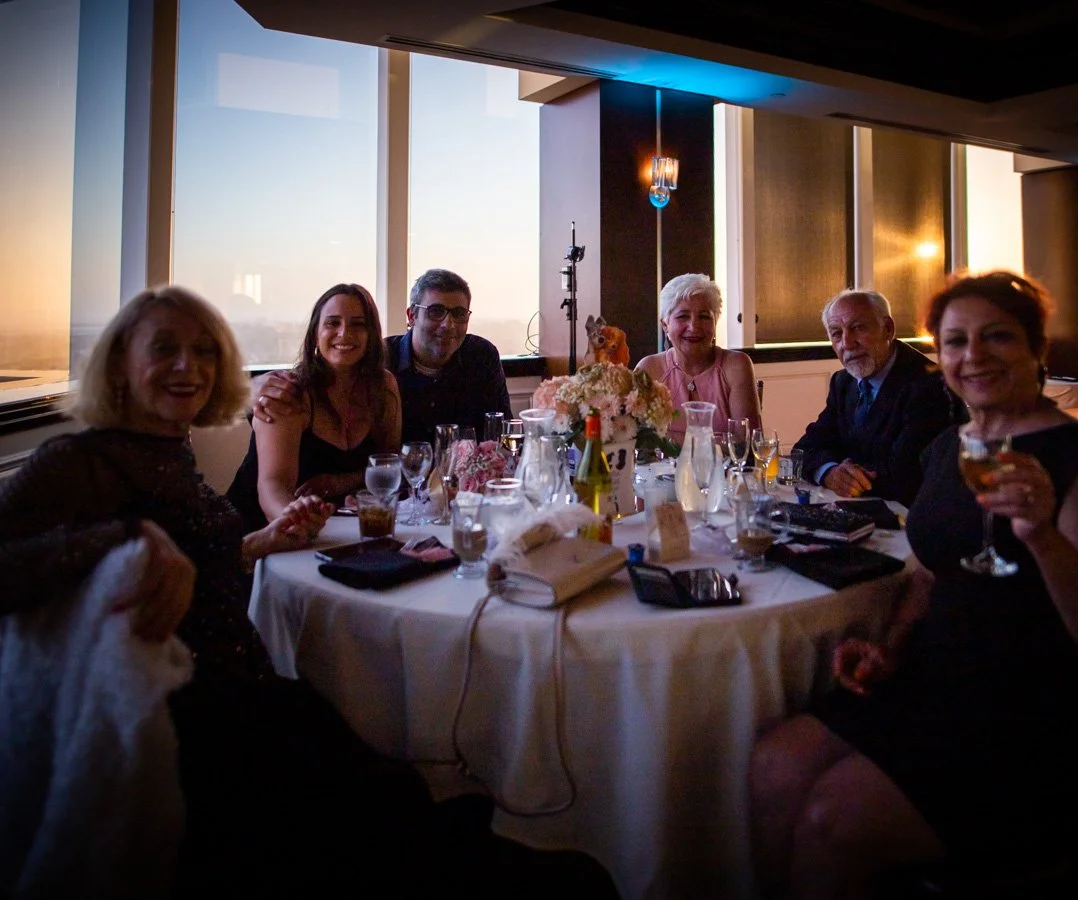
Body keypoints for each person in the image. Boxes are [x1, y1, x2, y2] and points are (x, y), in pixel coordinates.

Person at [0, 285, 620, 899]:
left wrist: (259, 542)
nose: (188, 366)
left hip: (246, 681)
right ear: (119, 362)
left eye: (204, 352)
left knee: (392, 778)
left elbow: (199, 560)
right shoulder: (79, 460)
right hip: (186, 714)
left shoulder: (168, 448)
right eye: (164, 349)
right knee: (380, 798)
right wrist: (124, 539)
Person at [748, 271, 1078, 899]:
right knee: (772, 766)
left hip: (1043, 716)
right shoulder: (950, 448)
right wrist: (893, 646)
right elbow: (935, 570)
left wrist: (1042, 537)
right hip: (942, 679)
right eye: (956, 341)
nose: (974, 355)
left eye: (998, 337)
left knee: (833, 820)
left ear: (1037, 348)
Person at [252, 268, 512, 447]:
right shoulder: (378, 360)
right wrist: (253, 389)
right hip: (397, 493)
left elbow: (500, 433)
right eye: (435, 311)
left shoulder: (481, 357)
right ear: (411, 316)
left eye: (459, 314)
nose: (448, 324)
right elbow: (312, 384)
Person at [225, 283, 400, 532]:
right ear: (315, 333)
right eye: (333, 323)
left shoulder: (383, 386)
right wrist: (298, 523)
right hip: (259, 530)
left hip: (336, 527)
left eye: (358, 324)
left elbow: (389, 464)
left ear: (371, 334)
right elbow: (272, 488)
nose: (344, 333)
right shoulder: (289, 393)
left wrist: (340, 483)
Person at [792, 288, 963, 506]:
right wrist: (828, 472)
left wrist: (846, 477)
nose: (847, 343)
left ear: (888, 329)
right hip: (863, 509)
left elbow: (906, 475)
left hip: (916, 514)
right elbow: (805, 448)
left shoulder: (929, 385)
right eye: (836, 334)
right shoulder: (843, 382)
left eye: (858, 328)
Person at [633, 273, 760, 444]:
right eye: (683, 316)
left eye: (704, 316)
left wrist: (670, 441)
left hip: (722, 464)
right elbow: (634, 439)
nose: (694, 327)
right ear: (665, 324)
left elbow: (746, 444)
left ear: (715, 323)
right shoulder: (649, 369)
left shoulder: (736, 366)